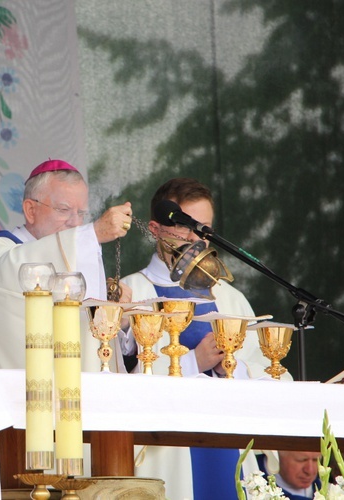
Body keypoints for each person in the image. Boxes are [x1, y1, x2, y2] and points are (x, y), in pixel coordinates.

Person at [121, 177, 292, 500]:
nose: (195, 237)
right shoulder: (133, 295)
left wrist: (232, 366)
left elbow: (268, 368)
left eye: (204, 227)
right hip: (167, 452)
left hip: (228, 438)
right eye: (184, 225)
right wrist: (193, 362)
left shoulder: (230, 298)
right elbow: (118, 384)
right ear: (155, 229)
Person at [0, 159, 132, 373]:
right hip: (14, 395)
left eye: (81, 214)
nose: (75, 223)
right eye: (64, 209)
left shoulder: (76, 252)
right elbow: (11, 274)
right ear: (30, 210)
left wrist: (115, 319)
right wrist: (91, 234)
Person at [256, 450, 321, 500]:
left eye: (316, 460)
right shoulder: (251, 486)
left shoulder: (327, 489)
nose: (310, 470)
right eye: (301, 460)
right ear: (278, 455)